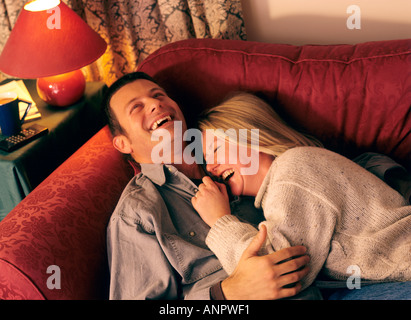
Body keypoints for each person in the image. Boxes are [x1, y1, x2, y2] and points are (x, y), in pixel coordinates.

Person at [104, 71, 409, 300]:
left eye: (159, 95)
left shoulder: (246, 162)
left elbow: (332, 172)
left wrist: (396, 188)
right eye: (137, 107)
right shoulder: (137, 213)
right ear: (122, 142)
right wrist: (224, 294)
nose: (155, 105)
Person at [192, 92, 411, 296]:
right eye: (207, 161)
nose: (211, 168)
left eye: (216, 150)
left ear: (251, 136)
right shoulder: (284, 180)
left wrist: (219, 220)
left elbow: (277, 274)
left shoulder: (292, 169)